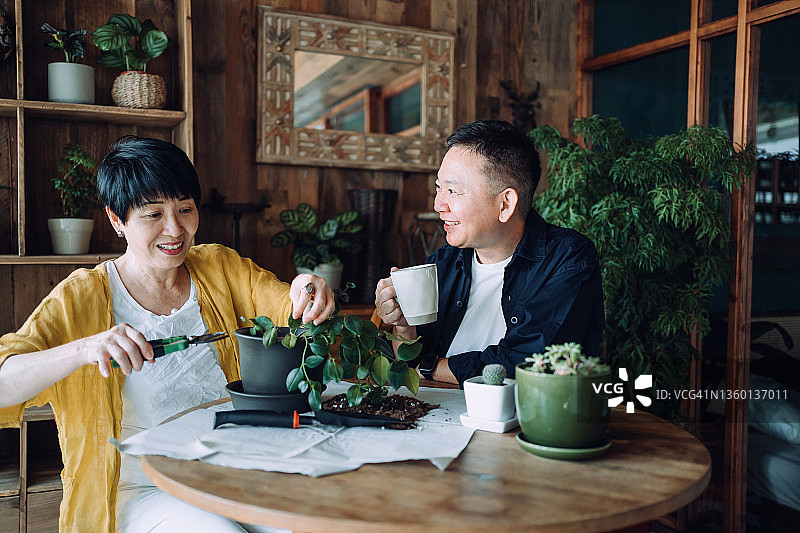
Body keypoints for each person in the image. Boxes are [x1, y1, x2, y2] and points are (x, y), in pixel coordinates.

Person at [0, 137, 335, 532]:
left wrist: (307, 288)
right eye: (153, 214)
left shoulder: (218, 266)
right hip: (144, 489)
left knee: (317, 523)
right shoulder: (81, 298)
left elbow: (290, 309)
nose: (175, 229)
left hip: (241, 468)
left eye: (185, 209)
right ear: (116, 219)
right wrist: (85, 348)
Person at [375, 120, 604, 386]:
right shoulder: (443, 262)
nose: (438, 205)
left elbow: (529, 364)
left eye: (453, 191)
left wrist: (429, 366)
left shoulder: (568, 258)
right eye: (439, 188)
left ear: (505, 204)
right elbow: (407, 365)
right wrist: (403, 325)